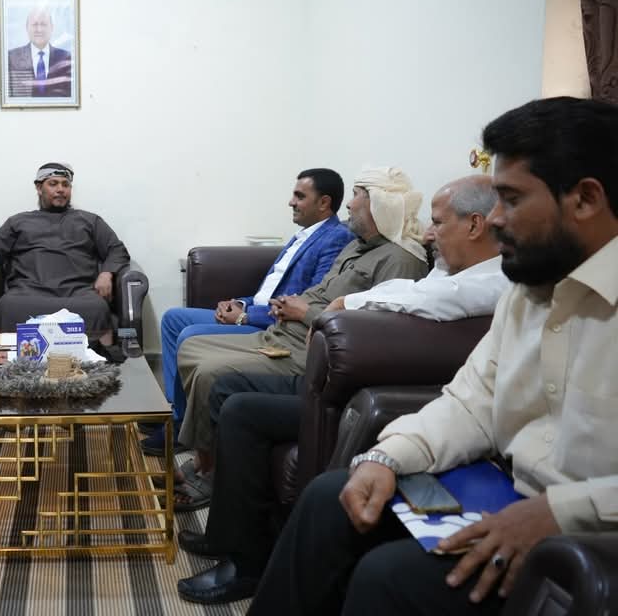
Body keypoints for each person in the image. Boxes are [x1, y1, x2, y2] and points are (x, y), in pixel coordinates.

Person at [244, 96, 618, 616]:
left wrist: (561, 512)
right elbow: (469, 403)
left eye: (510, 199)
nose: (495, 220)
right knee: (330, 498)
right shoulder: (530, 293)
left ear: (585, 199)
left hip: (590, 536)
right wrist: (387, 456)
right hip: (506, 498)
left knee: (387, 578)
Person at [176, 174, 509, 605]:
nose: (428, 233)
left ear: (475, 225)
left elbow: (436, 298)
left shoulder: (495, 281)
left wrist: (347, 303)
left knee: (237, 402)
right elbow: (415, 290)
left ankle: (245, 563)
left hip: (361, 387)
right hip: (340, 377)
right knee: (237, 403)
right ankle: (234, 544)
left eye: (438, 223)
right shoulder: (445, 269)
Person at [172, 168, 430, 510]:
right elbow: (322, 292)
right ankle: (204, 455)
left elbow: (374, 332)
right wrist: (284, 305)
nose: (349, 205)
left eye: (357, 195)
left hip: (307, 350)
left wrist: (304, 313)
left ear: (380, 205)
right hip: (284, 330)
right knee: (190, 346)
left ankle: (209, 471)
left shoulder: (401, 260)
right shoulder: (359, 246)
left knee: (209, 371)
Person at [145, 169, 354, 457]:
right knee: (173, 319)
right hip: (254, 310)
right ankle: (177, 410)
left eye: (299, 196)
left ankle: (181, 425)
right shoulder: (303, 236)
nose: (291, 202)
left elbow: (302, 301)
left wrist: (245, 317)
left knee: (189, 335)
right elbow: (268, 290)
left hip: (272, 324)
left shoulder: (335, 238)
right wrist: (239, 303)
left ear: (324, 203)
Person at [0, 162, 129, 344]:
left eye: (65, 184)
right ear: (39, 188)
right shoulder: (18, 221)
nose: (60, 189)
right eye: (53, 184)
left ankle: (96, 360)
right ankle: (12, 361)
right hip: (27, 292)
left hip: (78, 292)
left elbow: (117, 249)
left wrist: (107, 273)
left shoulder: (90, 221)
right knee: (7, 307)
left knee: (97, 307)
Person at [7, 8, 73, 98]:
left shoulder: (66, 58)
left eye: (43, 24)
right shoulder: (11, 58)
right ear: (27, 28)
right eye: (34, 25)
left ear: (52, 28)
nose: (39, 29)